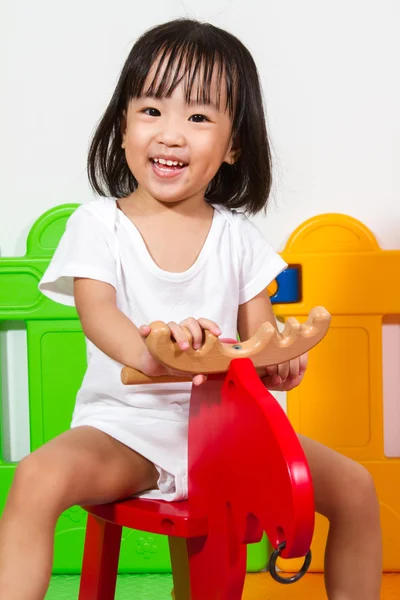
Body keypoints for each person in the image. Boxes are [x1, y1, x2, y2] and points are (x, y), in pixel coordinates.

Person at [0, 18, 381, 600]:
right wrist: (148, 356)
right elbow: (97, 311)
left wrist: (278, 364)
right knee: (37, 475)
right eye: (151, 109)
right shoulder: (99, 225)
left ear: (232, 147)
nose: (171, 133)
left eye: (199, 117)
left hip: (227, 437)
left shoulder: (240, 240)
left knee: (355, 488)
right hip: (125, 429)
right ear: (122, 126)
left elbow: (260, 337)